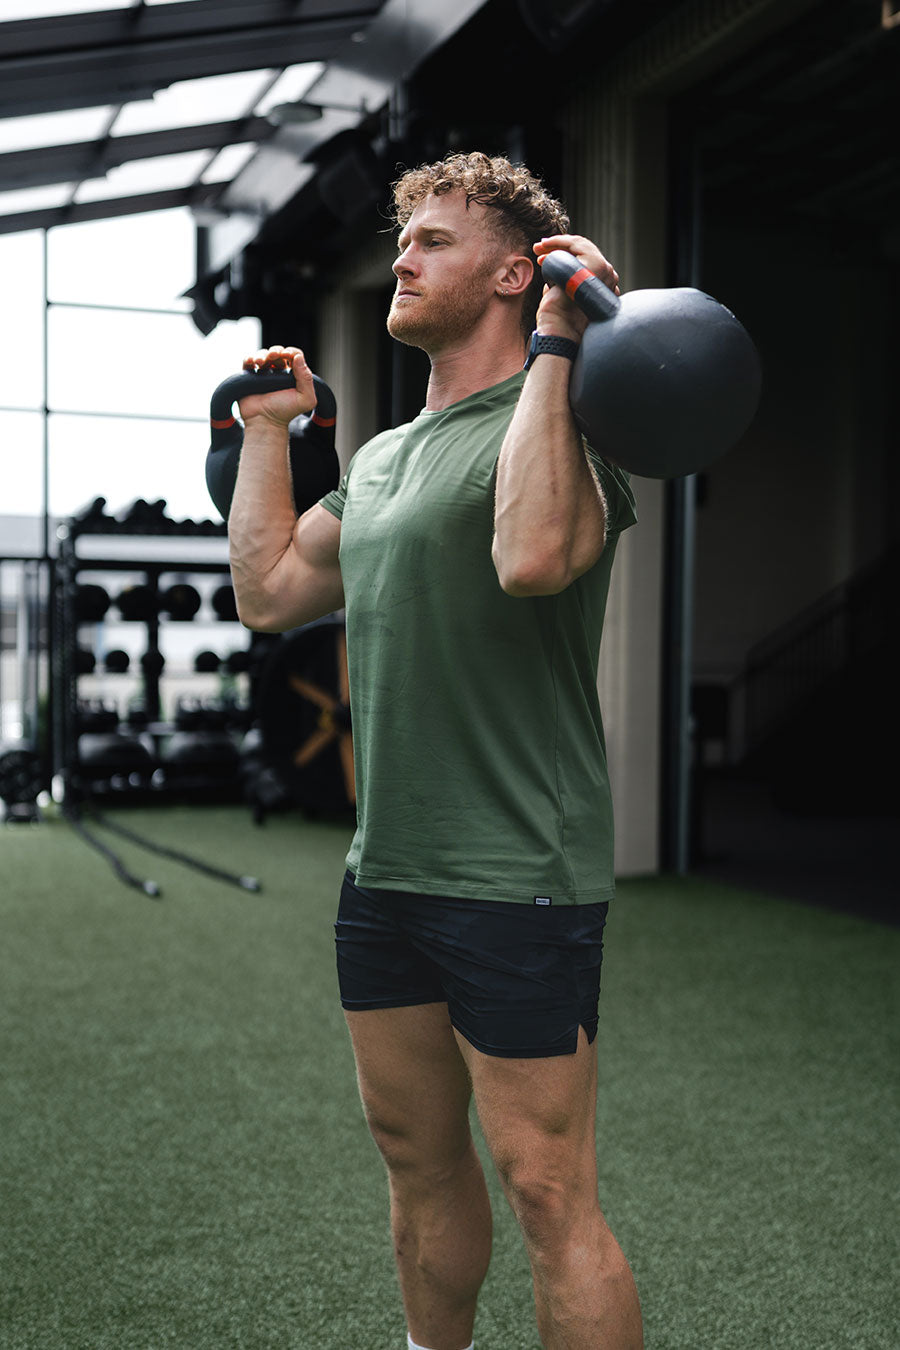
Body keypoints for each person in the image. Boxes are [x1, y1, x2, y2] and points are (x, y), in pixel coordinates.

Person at [228, 151, 642, 1350]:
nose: (402, 258)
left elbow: (530, 557)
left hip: (517, 871)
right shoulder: (383, 459)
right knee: (415, 1159)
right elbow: (268, 592)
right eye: (401, 239)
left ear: (514, 274)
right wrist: (267, 433)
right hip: (387, 870)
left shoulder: (572, 425)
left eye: (434, 241)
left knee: (547, 1191)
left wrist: (559, 345)